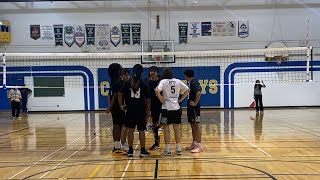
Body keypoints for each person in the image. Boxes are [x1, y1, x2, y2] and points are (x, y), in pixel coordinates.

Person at [118, 64, 151, 157]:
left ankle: (130, 150)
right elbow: (148, 100)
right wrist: (148, 111)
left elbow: (119, 93)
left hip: (130, 110)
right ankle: (143, 151)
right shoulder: (144, 83)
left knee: (130, 130)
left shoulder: (128, 82)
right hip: (140, 111)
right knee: (141, 131)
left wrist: (121, 105)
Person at [155, 67, 190, 156]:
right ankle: (178, 148)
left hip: (166, 108)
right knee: (177, 129)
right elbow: (187, 90)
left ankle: (168, 149)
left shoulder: (163, 81)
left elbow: (156, 90)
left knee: (166, 130)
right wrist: (180, 100)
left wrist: (161, 99)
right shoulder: (177, 81)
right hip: (176, 108)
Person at [106, 63, 125, 154]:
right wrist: (110, 106)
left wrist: (110, 106)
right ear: (118, 71)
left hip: (115, 107)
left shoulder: (112, 82)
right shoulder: (119, 82)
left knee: (117, 125)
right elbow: (115, 95)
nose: (122, 70)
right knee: (119, 126)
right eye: (121, 68)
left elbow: (109, 96)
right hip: (119, 106)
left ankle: (117, 145)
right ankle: (119, 146)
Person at [184, 69, 203, 153]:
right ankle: (194, 144)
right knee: (192, 125)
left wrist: (195, 103)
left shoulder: (194, 82)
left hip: (195, 108)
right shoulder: (191, 83)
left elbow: (198, 93)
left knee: (197, 125)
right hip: (191, 107)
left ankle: (199, 145)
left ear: (186, 75)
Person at [147, 66, 162, 150]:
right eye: (151, 71)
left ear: (157, 72)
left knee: (162, 124)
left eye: (154, 71)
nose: (152, 73)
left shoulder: (161, 82)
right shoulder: (147, 82)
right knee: (155, 124)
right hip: (153, 106)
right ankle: (156, 143)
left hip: (162, 105)